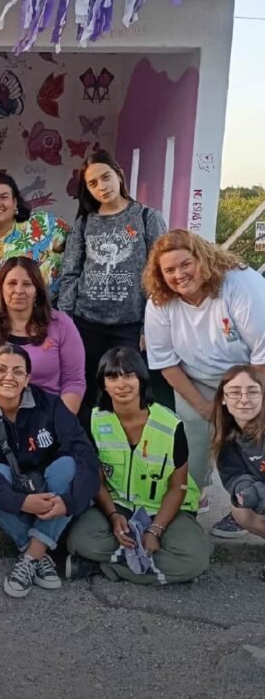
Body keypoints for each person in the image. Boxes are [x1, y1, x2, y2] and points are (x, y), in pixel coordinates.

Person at [144, 229, 265, 534]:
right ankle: (191, 505)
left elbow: (262, 355)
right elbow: (166, 363)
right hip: (195, 378)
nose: (179, 275)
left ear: (203, 258)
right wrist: (206, 409)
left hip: (254, 375)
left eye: (186, 264)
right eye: (169, 270)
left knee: (253, 443)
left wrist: (242, 403)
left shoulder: (241, 284)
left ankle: (248, 508)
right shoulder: (159, 301)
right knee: (191, 440)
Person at [66, 347, 210, 585]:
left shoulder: (170, 424)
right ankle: (151, 565)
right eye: (112, 377)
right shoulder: (94, 420)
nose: (121, 384)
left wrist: (155, 530)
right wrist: (113, 516)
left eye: (128, 375)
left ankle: (106, 568)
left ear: (141, 380)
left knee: (193, 561)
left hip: (165, 508)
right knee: (80, 539)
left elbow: (178, 486)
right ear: (103, 384)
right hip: (119, 505)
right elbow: (98, 480)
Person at [0, 344, 99, 598]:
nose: (9, 377)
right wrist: (22, 502)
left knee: (67, 466)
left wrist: (68, 503)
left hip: (51, 494)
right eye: (1, 370)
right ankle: (40, 550)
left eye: (18, 372)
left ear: (27, 379)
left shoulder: (50, 405)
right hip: (8, 502)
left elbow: (86, 457)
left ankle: (30, 557)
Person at [57, 150, 167, 414]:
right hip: (86, 324)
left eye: (105, 178)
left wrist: (147, 327)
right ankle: (88, 449)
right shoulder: (84, 224)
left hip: (129, 327)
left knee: (127, 393)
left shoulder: (147, 218)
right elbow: (70, 273)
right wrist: (65, 321)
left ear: (118, 174)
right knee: (87, 394)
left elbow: (160, 276)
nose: (101, 187)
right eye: (93, 184)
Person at [0, 257, 85, 413]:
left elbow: (74, 381)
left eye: (27, 284)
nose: (19, 290)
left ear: (37, 290)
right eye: (12, 283)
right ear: (1, 289)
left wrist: (63, 422)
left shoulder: (61, 325)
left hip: (47, 415)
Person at [0, 171, 69, 302]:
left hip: (50, 315)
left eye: (3, 197)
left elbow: (79, 246)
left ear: (15, 202)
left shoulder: (45, 224)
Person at [211, 365, 265, 581]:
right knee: (241, 511)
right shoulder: (227, 439)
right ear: (223, 399)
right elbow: (234, 476)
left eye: (252, 391)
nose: (244, 399)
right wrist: (247, 490)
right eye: (235, 392)